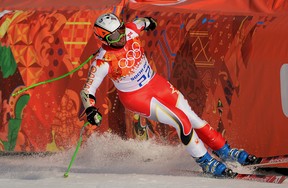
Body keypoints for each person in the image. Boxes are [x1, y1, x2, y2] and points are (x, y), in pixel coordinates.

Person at [80, 13, 257, 177]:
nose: (120, 37)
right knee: (181, 120)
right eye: (113, 37)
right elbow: (87, 90)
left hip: (155, 83)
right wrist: (91, 110)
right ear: (103, 39)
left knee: (193, 118)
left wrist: (149, 22)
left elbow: (140, 23)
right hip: (137, 97)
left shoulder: (130, 31)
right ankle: (206, 161)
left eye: (121, 31)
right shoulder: (103, 61)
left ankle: (225, 151)